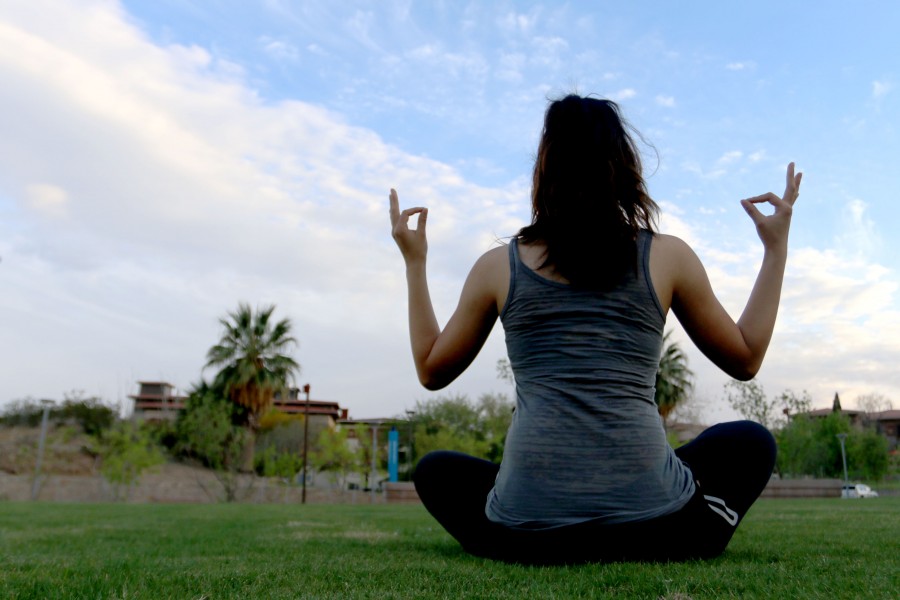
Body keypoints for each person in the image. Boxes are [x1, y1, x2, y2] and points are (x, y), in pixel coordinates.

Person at [389, 94, 801, 564]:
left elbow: (430, 369)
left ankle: (522, 525)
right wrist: (775, 251)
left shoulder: (496, 268)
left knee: (436, 471)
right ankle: (678, 533)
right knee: (750, 442)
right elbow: (746, 358)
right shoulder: (668, 258)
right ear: (623, 166)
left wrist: (415, 263)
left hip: (527, 537)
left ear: (544, 169)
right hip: (657, 528)